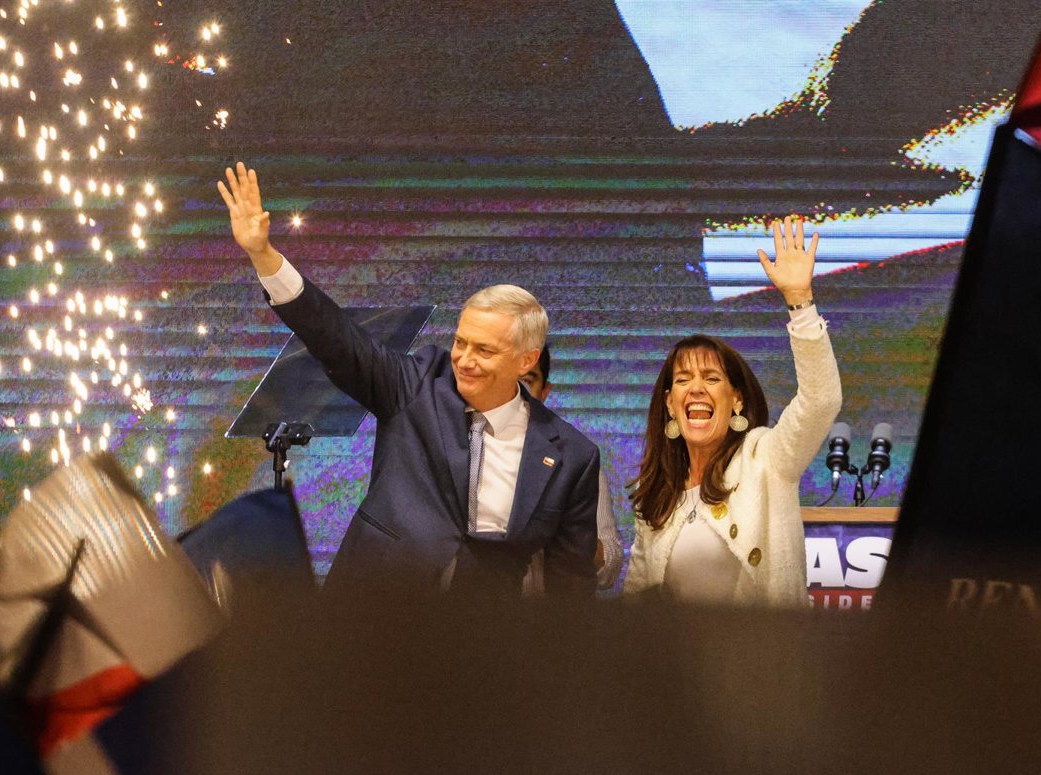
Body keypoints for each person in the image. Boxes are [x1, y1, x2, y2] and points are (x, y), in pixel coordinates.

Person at [217, 163, 600, 598]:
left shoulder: (572, 455)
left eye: (484, 350)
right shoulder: (416, 385)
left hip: (482, 632)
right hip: (373, 611)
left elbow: (571, 585)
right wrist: (264, 255)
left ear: (526, 359)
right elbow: (336, 338)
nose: (465, 360)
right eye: (460, 342)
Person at [624, 218, 841, 606]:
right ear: (670, 403)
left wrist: (800, 301)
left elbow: (821, 400)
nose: (696, 389)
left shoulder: (766, 460)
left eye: (711, 378)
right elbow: (636, 600)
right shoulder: (658, 494)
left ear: (737, 400)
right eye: (683, 380)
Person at [520, 346, 624, 593]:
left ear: (545, 391)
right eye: (507, 380)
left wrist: (567, 532)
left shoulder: (575, 459)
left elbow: (611, 563)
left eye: (526, 381)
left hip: (551, 614)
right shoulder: (462, 449)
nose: (516, 392)